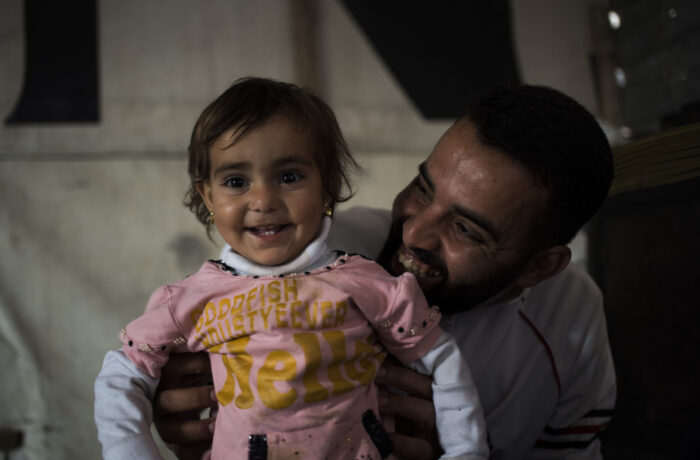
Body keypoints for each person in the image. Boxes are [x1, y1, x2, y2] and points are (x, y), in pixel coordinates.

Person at [153, 84, 617, 460]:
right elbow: (184, 390)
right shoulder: (311, 251)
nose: (415, 231)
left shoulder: (570, 318)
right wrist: (172, 409)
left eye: (465, 230)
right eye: (422, 187)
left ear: (541, 266)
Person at [94, 77, 488, 460]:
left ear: (327, 185)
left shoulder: (368, 284)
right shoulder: (189, 300)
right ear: (207, 194)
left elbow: (442, 359)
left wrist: (465, 450)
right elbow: (121, 374)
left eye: (289, 177)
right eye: (236, 180)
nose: (264, 199)